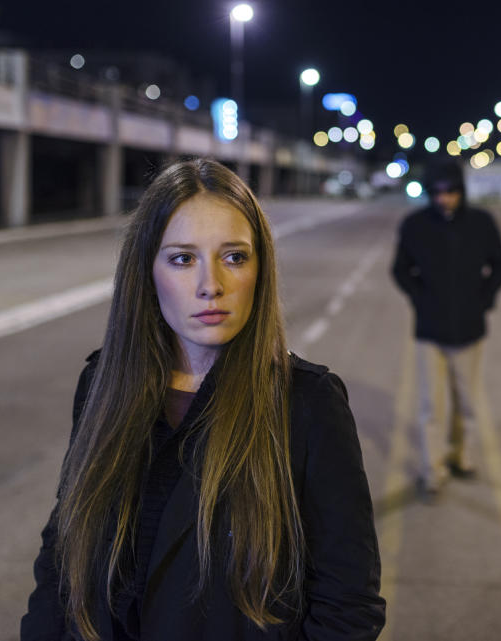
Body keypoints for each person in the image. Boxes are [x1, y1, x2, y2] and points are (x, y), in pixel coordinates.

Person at [21, 159, 385, 641]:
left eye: (234, 256)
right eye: (182, 258)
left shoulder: (308, 404)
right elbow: (63, 551)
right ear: (146, 271)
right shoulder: (102, 383)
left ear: (261, 268)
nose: (210, 285)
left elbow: (348, 604)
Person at [391, 160, 501, 496]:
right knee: (433, 405)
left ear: (461, 190)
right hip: (429, 330)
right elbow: (400, 270)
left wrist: (484, 301)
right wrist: (419, 298)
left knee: (467, 401)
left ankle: (461, 456)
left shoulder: (482, 223)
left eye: (452, 191)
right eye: (439, 192)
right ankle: (434, 470)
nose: (445, 199)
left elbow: (500, 266)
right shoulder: (414, 225)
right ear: (431, 193)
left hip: (470, 329)